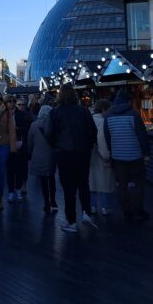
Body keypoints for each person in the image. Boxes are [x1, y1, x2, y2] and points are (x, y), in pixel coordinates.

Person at [46, 84, 97, 233]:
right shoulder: (84, 111)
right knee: (83, 184)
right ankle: (86, 213)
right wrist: (88, 146)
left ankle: (71, 221)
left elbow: (49, 134)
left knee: (69, 188)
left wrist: (57, 146)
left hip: (64, 154)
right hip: (82, 153)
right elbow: (93, 131)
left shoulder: (55, 112)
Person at [104, 89, 150, 222]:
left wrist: (112, 150)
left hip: (118, 156)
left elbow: (107, 137)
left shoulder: (108, 116)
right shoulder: (134, 114)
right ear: (128, 101)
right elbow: (142, 136)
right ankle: (138, 211)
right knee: (138, 184)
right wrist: (146, 153)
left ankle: (126, 211)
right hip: (135, 155)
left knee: (122, 184)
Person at [28, 104, 58, 214]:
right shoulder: (54, 125)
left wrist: (30, 153)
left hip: (39, 155)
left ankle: (46, 202)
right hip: (51, 155)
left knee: (43, 181)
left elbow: (30, 142)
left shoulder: (34, 125)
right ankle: (53, 201)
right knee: (52, 178)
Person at [89, 98, 115, 216]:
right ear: (104, 109)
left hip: (90, 157)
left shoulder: (89, 119)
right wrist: (106, 156)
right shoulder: (103, 122)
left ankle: (92, 206)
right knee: (105, 184)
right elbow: (102, 139)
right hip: (100, 157)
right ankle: (105, 207)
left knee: (92, 183)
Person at [6, 98, 32, 202]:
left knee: (20, 169)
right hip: (8, 145)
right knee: (10, 170)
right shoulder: (5, 115)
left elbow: (27, 128)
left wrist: (18, 129)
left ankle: (17, 189)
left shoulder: (22, 115)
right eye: (10, 102)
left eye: (13, 102)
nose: (11, 104)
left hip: (20, 145)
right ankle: (11, 191)